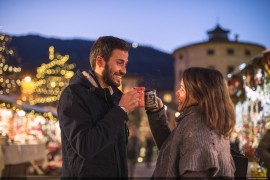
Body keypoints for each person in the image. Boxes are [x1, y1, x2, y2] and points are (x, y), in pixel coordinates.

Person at [57, 36, 142, 177]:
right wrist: (121, 111)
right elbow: (85, 146)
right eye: (119, 63)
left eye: (125, 64)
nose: (124, 71)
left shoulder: (115, 97)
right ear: (100, 61)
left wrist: (155, 112)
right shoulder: (73, 95)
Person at [146, 67, 236, 178]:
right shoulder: (207, 120)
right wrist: (157, 113)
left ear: (200, 94)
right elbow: (171, 152)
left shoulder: (198, 128)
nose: (177, 93)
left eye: (183, 89)